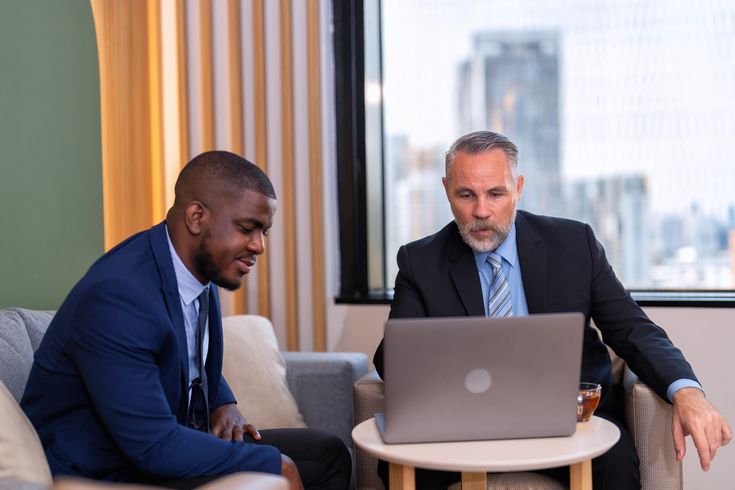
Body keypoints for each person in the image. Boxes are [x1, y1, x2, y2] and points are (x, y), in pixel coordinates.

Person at [373, 131, 732, 489]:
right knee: (396, 467)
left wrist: (687, 392)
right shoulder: (420, 261)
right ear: (446, 189)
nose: (481, 211)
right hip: (463, 426)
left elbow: (632, 328)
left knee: (617, 464)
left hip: (569, 421)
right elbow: (393, 358)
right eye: (466, 195)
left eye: (496, 193)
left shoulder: (574, 245)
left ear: (518, 188)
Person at [22, 151, 351, 490]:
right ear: (196, 217)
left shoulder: (199, 270)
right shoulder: (117, 296)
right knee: (279, 466)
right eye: (247, 228)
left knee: (327, 454)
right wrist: (274, 464)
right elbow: (151, 446)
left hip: (160, 445)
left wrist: (222, 400)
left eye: (263, 231)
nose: (259, 246)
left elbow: (184, 352)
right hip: (103, 471)